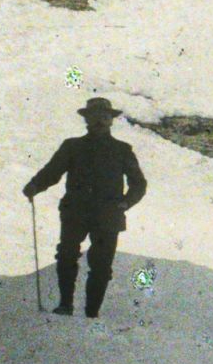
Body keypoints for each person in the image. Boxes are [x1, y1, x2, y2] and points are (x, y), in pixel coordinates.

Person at [23, 97, 148, 318]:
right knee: (66, 255)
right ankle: (65, 305)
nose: (99, 120)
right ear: (86, 120)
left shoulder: (122, 150)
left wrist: (126, 202)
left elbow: (138, 183)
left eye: (104, 116)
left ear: (111, 120)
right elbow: (53, 172)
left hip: (108, 215)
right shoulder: (72, 146)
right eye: (94, 116)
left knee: (101, 265)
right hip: (75, 212)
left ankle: (92, 313)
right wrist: (35, 185)